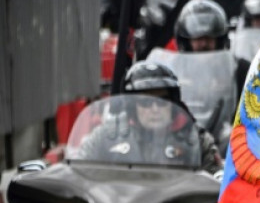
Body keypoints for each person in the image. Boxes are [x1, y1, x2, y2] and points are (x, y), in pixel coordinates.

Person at [79, 62, 222, 173]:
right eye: (146, 102)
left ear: (174, 103)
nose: (155, 108)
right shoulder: (107, 136)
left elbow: (217, 186)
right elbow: (79, 174)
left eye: (163, 100)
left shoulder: (196, 139)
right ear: (132, 106)